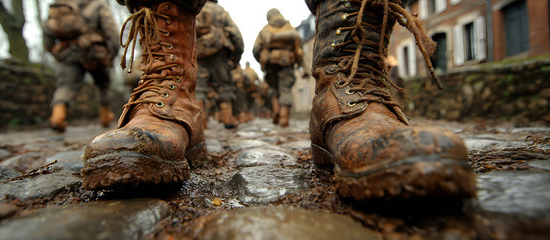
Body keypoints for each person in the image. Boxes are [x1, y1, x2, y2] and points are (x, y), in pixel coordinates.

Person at [83, 0, 476, 202]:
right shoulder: (266, 27)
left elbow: (248, 44)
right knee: (234, 89)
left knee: (242, 90)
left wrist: (246, 59)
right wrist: (242, 58)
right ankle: (174, 99)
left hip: (258, 66)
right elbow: (243, 42)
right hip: (250, 65)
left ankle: (345, 89)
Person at [43, 0, 120, 132]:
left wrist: (61, 53)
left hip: (69, 53)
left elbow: (48, 39)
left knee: (66, 85)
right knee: (102, 83)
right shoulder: (97, 4)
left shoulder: (58, 6)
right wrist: (112, 52)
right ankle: (105, 116)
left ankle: (57, 116)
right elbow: (111, 30)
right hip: (95, 52)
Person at [195, 0, 244, 129]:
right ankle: (228, 118)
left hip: (197, 53)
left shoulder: (194, 8)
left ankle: (200, 123)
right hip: (219, 54)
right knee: (224, 86)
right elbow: (236, 35)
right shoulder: (219, 10)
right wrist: (236, 58)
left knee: (199, 88)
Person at [252, 9, 303, 127]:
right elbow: (298, 48)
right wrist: (299, 64)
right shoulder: (289, 28)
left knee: (273, 88)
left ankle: (276, 110)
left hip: (270, 62)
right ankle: (284, 117)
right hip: (286, 62)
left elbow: (256, 49)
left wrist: (262, 60)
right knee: (285, 89)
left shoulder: (265, 29)